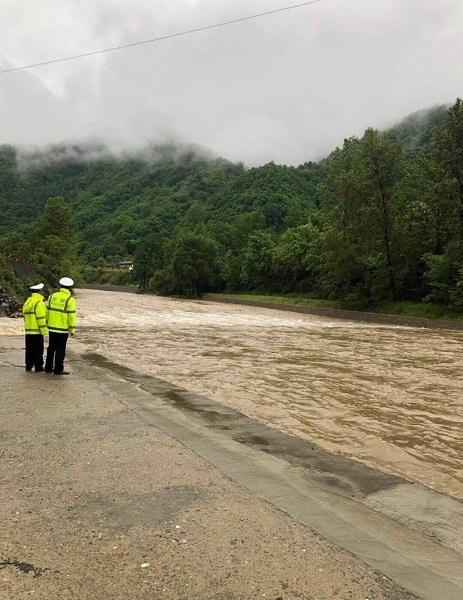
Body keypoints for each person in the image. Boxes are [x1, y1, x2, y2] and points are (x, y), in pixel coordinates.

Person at [45, 277, 76, 375]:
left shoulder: (51, 296)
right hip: (62, 329)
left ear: (60, 286)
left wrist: (46, 323)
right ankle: (58, 369)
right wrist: (72, 329)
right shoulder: (70, 300)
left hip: (51, 328)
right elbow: (71, 316)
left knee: (51, 348)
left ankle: (48, 368)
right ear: (70, 288)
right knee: (60, 349)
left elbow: (46, 312)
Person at [22, 282, 48, 372]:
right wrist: (44, 331)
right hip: (37, 331)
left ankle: (28, 366)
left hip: (28, 331)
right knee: (38, 350)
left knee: (29, 350)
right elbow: (40, 318)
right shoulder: (39, 303)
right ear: (40, 292)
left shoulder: (27, 302)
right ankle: (38, 367)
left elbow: (24, 317)